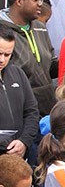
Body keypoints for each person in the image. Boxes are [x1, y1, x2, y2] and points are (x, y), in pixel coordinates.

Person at [0, 22, 38, 159]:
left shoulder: (17, 73)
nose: (2, 60)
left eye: (7, 54)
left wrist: (24, 141)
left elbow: (31, 111)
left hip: (19, 156)